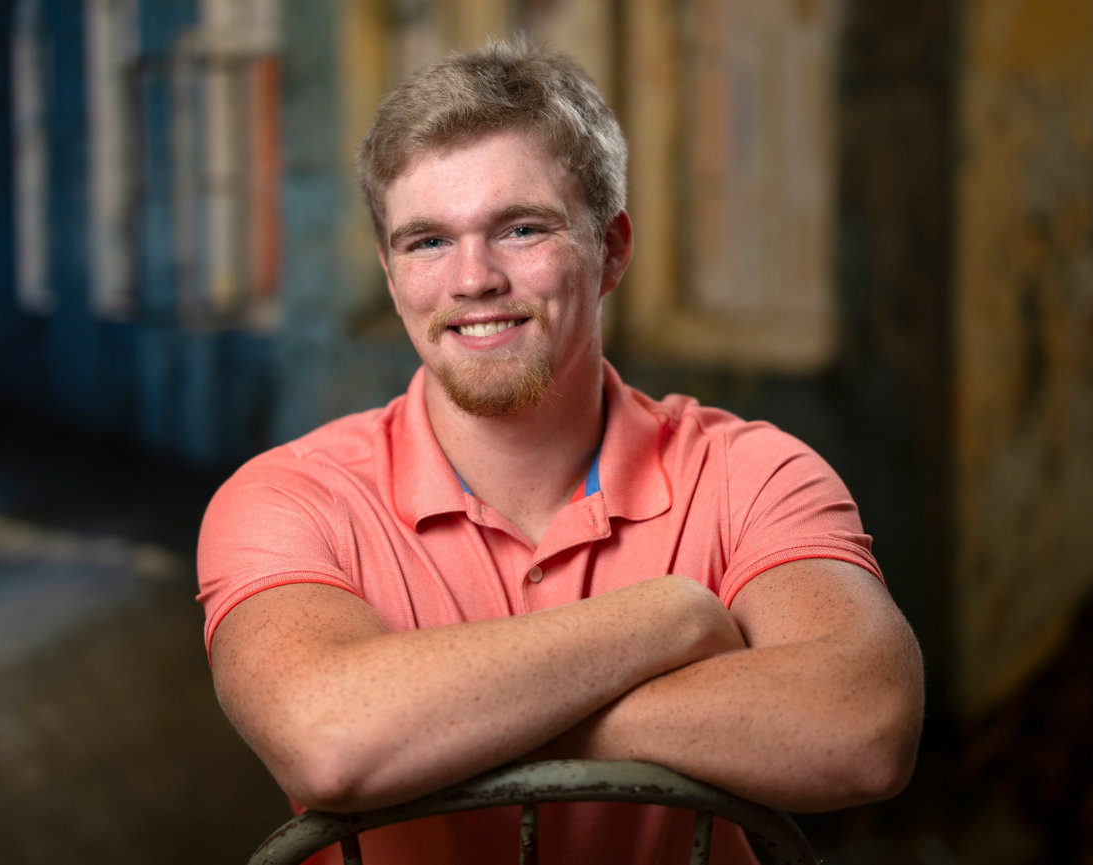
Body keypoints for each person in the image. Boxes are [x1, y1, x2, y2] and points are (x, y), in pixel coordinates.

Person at [197, 38, 924, 865]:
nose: (473, 278)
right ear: (392, 277)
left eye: (520, 229)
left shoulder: (752, 473)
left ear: (611, 249)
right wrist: (672, 617)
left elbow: (866, 726)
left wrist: (444, 726)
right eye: (427, 241)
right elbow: (329, 739)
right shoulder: (287, 497)